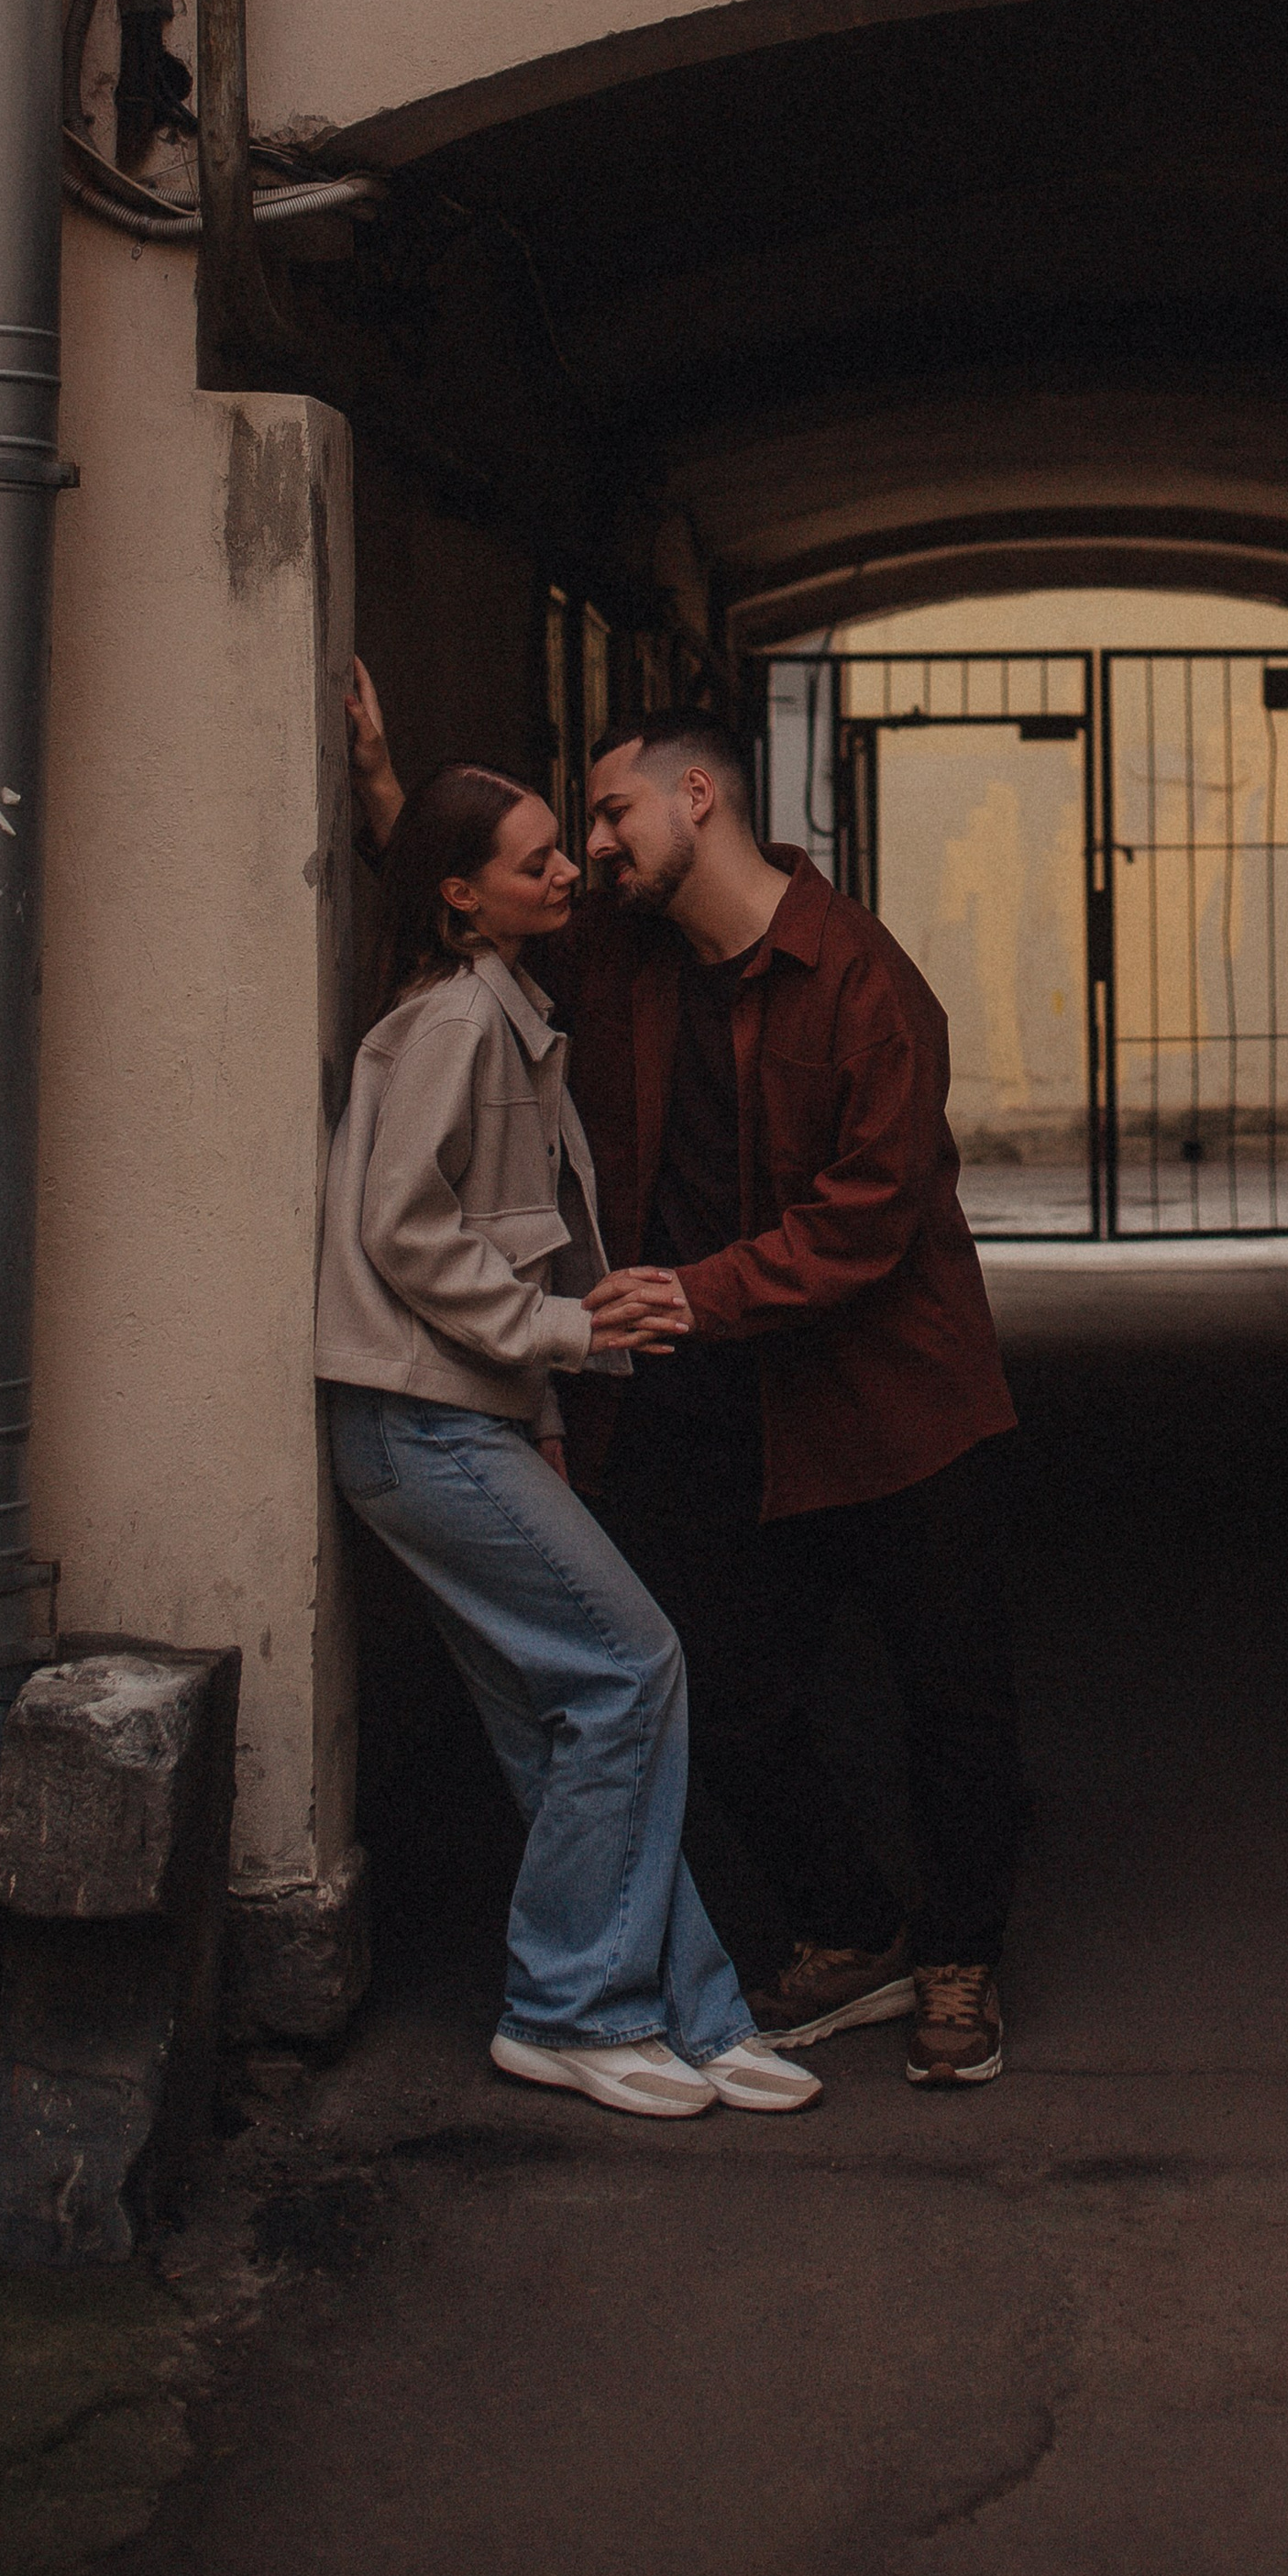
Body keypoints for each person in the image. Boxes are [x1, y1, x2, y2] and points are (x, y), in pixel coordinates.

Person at [348, 669, 1024, 2092]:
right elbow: (484, 899)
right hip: (725, 1404)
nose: (591, 847)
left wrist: (694, 1294)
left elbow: (870, 1211)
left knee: (950, 1696)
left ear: (696, 798)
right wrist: (392, 807)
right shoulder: (622, 951)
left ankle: (963, 1957)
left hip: (900, 1402)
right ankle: (850, 1924)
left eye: (610, 812)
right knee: (717, 1686)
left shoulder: (863, 980)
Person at [314, 754, 820, 2120]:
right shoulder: (454, 1025)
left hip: (464, 1424)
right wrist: (568, 1344)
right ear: (463, 897)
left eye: (565, 847)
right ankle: (566, 2008)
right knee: (632, 1668)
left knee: (573, 1723)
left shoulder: (510, 1010)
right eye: (534, 859)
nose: (565, 872)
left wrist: (537, 1411)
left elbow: (505, 1232)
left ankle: (694, 2013)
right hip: (419, 1425)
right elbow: (404, 1230)